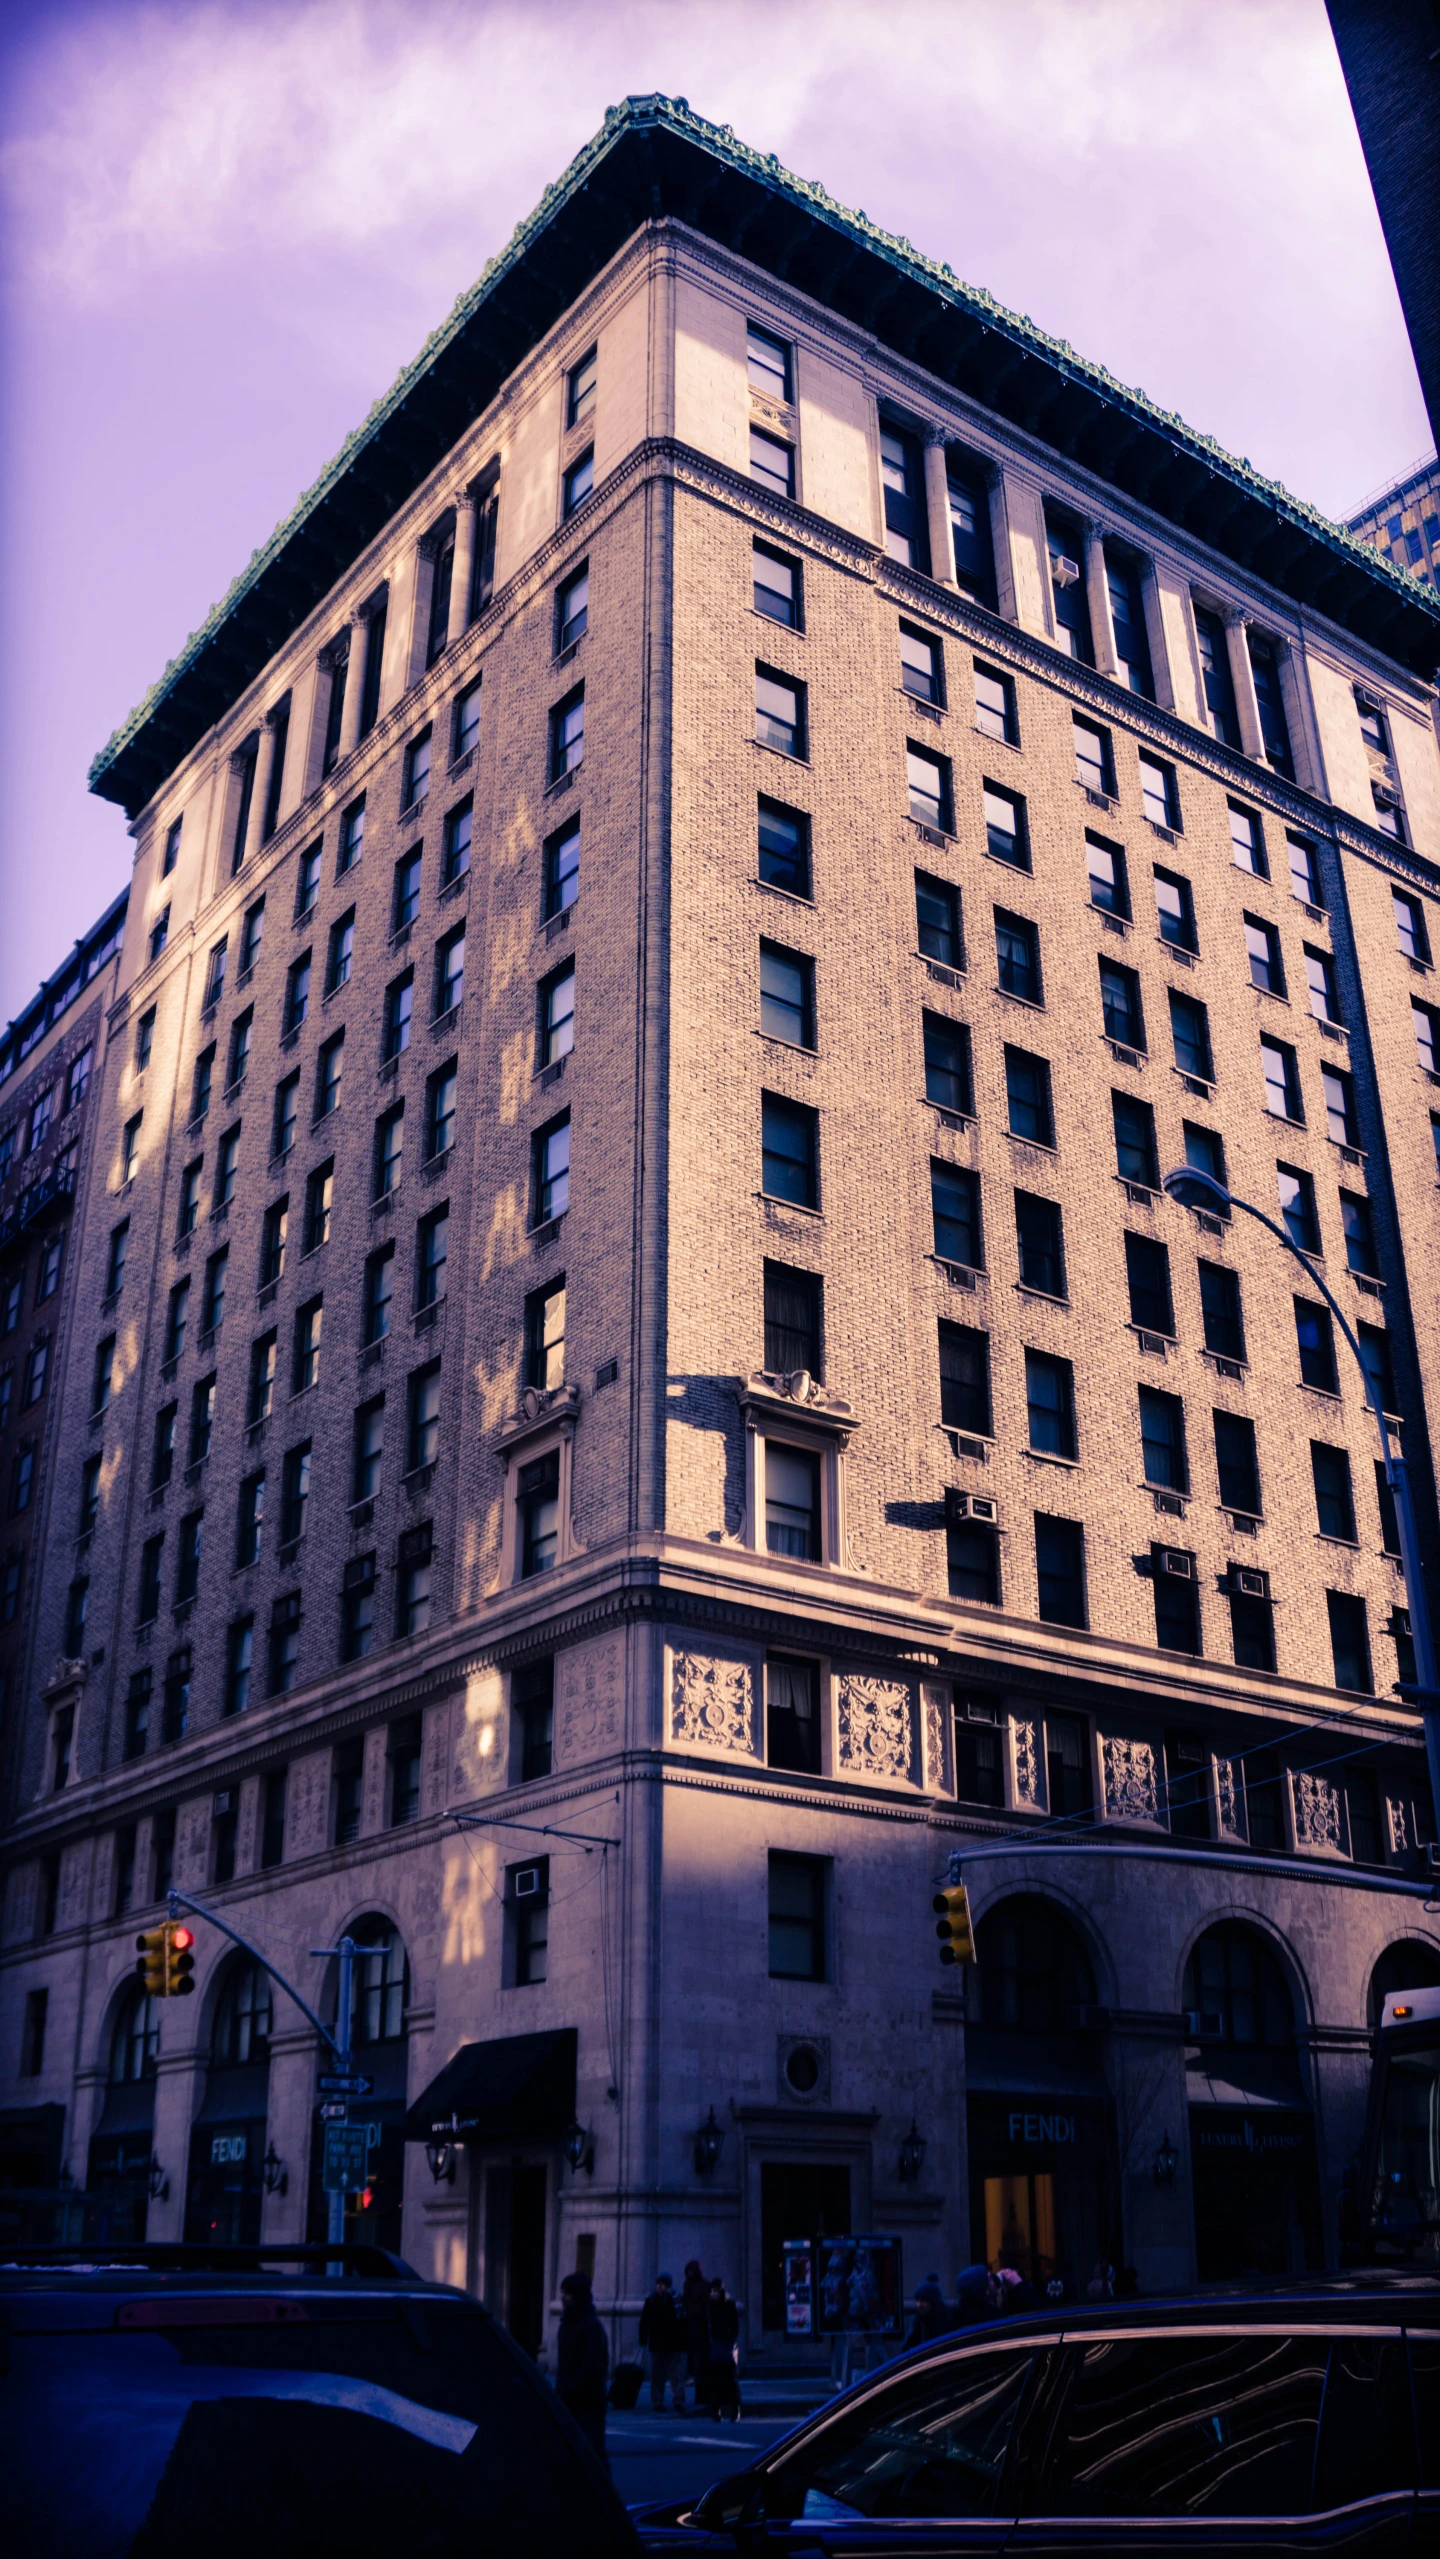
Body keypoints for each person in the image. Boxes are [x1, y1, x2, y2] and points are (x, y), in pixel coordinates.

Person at [556, 2270, 610, 2471]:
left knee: (594, 2454)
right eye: (563, 2292)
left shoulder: (591, 2326)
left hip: (588, 2403)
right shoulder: (567, 2323)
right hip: (568, 2401)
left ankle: (605, 2499)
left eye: (567, 2293)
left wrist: (569, 2389)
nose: (563, 2297)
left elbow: (592, 2367)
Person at [638, 2270, 686, 2412]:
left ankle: (678, 2400)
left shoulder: (676, 2300)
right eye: (659, 2284)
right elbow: (644, 2321)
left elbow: (682, 2321)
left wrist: (683, 2340)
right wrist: (643, 2337)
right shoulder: (651, 2300)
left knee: (676, 2374)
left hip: (673, 2343)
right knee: (657, 2375)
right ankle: (657, 2401)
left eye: (663, 2285)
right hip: (657, 2343)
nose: (660, 2287)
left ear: (668, 2286)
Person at [699, 2274, 741, 2420]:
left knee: (731, 2380)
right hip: (714, 2345)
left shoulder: (729, 2305)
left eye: (715, 2291)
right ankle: (716, 2410)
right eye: (711, 2291)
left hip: (727, 2345)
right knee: (715, 2381)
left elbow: (735, 2326)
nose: (713, 2294)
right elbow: (706, 2326)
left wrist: (731, 2339)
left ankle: (735, 2409)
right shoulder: (709, 2307)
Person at [680, 2259, 709, 2398]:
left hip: (699, 2322)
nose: (690, 2274)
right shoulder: (687, 2285)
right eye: (688, 2272)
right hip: (690, 2321)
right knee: (691, 2351)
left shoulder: (703, 2285)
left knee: (699, 2351)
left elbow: (705, 2303)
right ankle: (691, 2374)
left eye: (692, 2271)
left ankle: (698, 2375)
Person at [904, 2273, 949, 2347]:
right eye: (918, 2300)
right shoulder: (918, 2321)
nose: (919, 2305)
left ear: (933, 2303)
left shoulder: (945, 2323)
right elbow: (910, 2345)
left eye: (923, 2301)